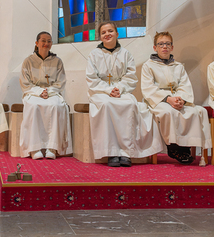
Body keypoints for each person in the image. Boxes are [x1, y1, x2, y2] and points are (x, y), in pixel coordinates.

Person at [86, 21, 163, 167]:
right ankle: (112, 152)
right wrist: (109, 90)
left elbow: (131, 76)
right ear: (100, 37)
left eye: (110, 31)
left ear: (116, 33)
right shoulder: (94, 55)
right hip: (101, 91)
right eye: (103, 32)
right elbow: (92, 78)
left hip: (122, 90)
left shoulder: (126, 54)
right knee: (107, 104)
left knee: (129, 103)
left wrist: (119, 89)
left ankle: (126, 152)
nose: (107, 34)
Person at [141, 31, 211, 164]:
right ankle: (174, 148)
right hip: (158, 99)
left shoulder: (178, 66)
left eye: (167, 44)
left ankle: (185, 147)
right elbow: (148, 88)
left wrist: (182, 100)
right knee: (168, 111)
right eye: (161, 44)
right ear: (155, 47)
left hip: (177, 98)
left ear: (172, 47)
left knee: (193, 112)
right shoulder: (148, 65)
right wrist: (168, 99)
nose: (164, 47)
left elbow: (185, 85)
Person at [19, 31, 72, 159]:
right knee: (33, 106)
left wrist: (48, 92)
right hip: (33, 93)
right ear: (37, 43)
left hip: (52, 93)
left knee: (57, 106)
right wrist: (39, 92)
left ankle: (52, 148)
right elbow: (25, 83)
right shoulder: (28, 61)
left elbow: (61, 82)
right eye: (43, 41)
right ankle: (34, 148)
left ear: (52, 44)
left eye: (49, 41)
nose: (46, 43)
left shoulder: (57, 61)